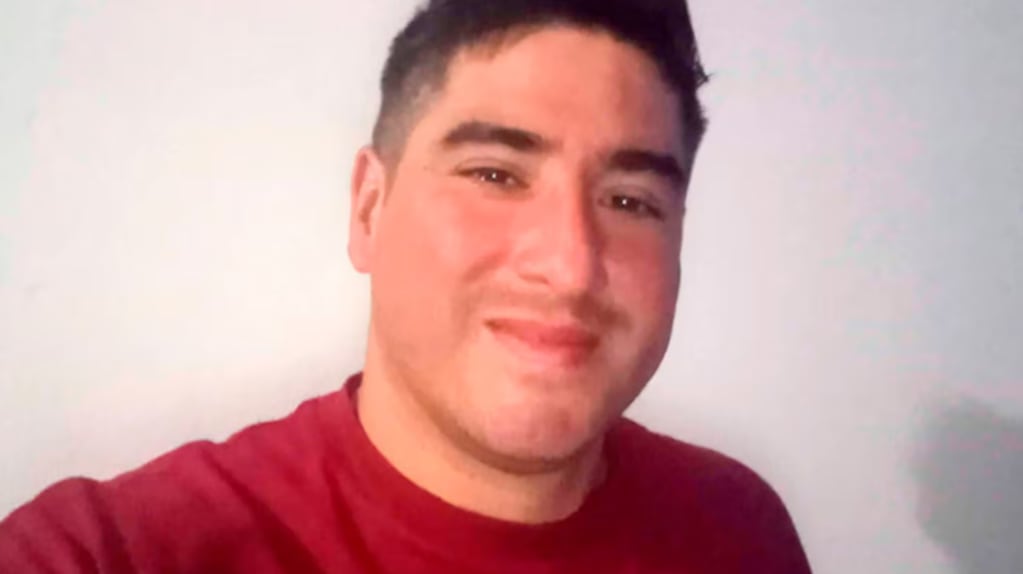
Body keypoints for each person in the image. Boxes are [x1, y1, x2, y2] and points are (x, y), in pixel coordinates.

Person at [0, 0, 813, 572]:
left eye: (630, 202)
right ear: (369, 208)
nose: (570, 266)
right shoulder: (104, 553)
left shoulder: (737, 529)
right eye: (495, 174)